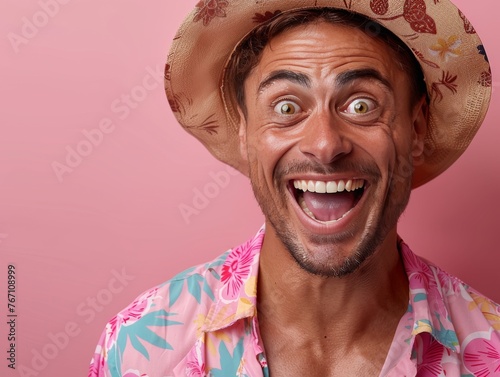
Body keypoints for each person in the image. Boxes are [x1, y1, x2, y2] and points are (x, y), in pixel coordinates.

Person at [89, 0, 498, 376]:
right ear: (245, 133)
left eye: (361, 105)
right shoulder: (137, 349)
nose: (324, 144)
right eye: (287, 107)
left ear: (417, 127)